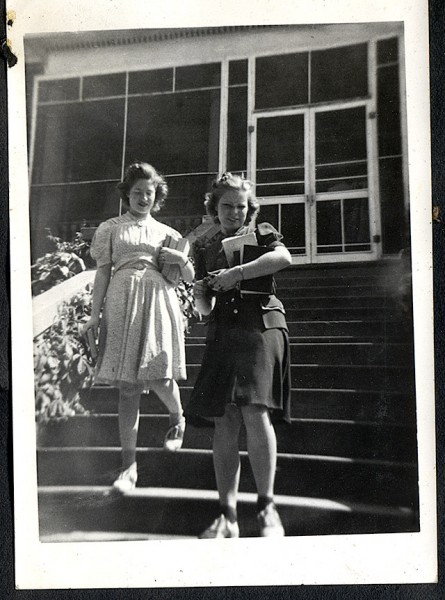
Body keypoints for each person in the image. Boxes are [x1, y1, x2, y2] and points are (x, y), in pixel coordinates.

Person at [185, 172, 292, 538]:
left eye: (240, 206)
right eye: (226, 206)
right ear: (214, 208)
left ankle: (267, 508)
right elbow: (203, 306)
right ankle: (227, 515)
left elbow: (284, 258)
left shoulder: (262, 231)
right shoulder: (205, 246)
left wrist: (236, 273)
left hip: (261, 323)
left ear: (250, 208)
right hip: (224, 328)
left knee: (253, 409)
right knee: (224, 418)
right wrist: (201, 291)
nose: (234, 212)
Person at [82, 162, 194, 493]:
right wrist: (94, 314)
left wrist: (183, 261)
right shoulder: (111, 229)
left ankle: (177, 418)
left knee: (159, 376)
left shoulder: (168, 234)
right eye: (137, 192)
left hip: (158, 300)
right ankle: (128, 467)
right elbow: (103, 271)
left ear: (156, 195)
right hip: (120, 300)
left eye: (149, 193)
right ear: (127, 195)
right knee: (127, 387)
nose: (143, 198)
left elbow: (188, 277)